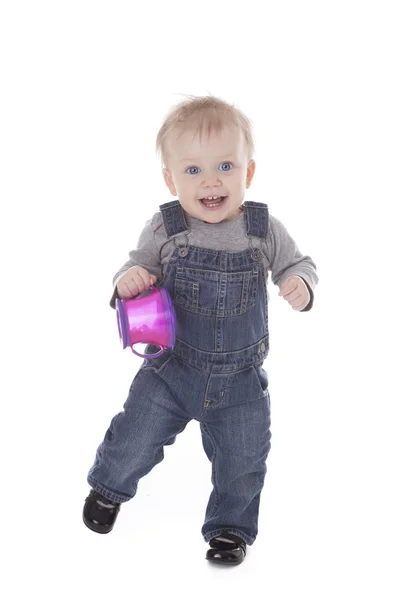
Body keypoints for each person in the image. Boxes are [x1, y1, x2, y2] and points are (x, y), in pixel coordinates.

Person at [83, 95, 318, 566]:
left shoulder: (262, 228)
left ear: (248, 174)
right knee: (135, 434)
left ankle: (230, 530)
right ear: (171, 180)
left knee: (244, 460)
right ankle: (109, 487)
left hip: (241, 381)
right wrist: (126, 283)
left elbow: (299, 263)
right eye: (192, 171)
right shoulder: (166, 228)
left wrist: (300, 284)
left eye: (225, 166)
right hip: (172, 369)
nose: (210, 180)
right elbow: (134, 269)